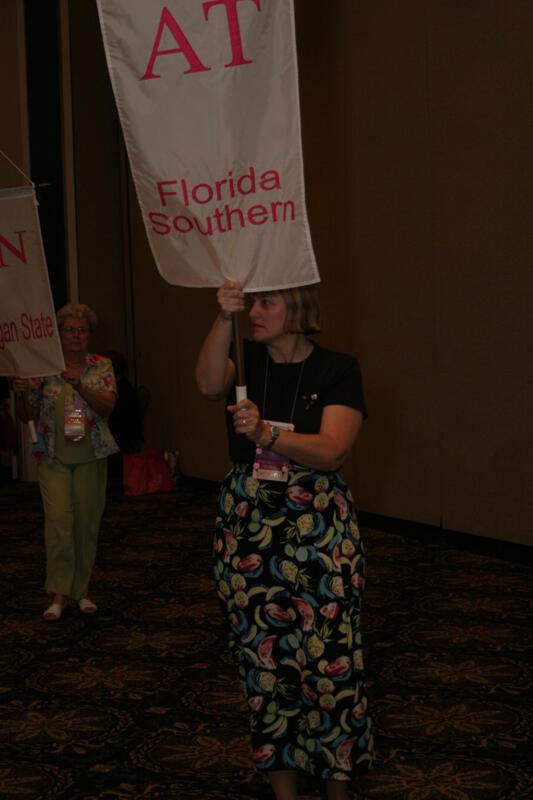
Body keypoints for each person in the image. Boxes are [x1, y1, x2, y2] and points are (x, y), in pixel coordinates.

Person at [195, 281, 374, 800]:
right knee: (265, 663)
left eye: (264, 302)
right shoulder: (245, 364)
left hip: (317, 526)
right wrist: (221, 317)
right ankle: (284, 793)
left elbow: (333, 449)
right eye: (250, 303)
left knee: (330, 664)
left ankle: (338, 789)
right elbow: (208, 384)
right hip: (247, 525)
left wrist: (269, 436)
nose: (254, 311)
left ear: (296, 309)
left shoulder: (337, 369)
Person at [13, 303, 118, 621]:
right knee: (59, 522)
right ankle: (59, 594)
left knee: (86, 524)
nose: (76, 335)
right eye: (69, 330)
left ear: (89, 335)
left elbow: (107, 407)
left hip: (91, 456)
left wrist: (80, 385)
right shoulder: (42, 368)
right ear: (58, 335)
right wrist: (20, 393)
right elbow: (26, 415)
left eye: (82, 330)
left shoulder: (101, 365)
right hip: (54, 457)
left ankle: (81, 591)